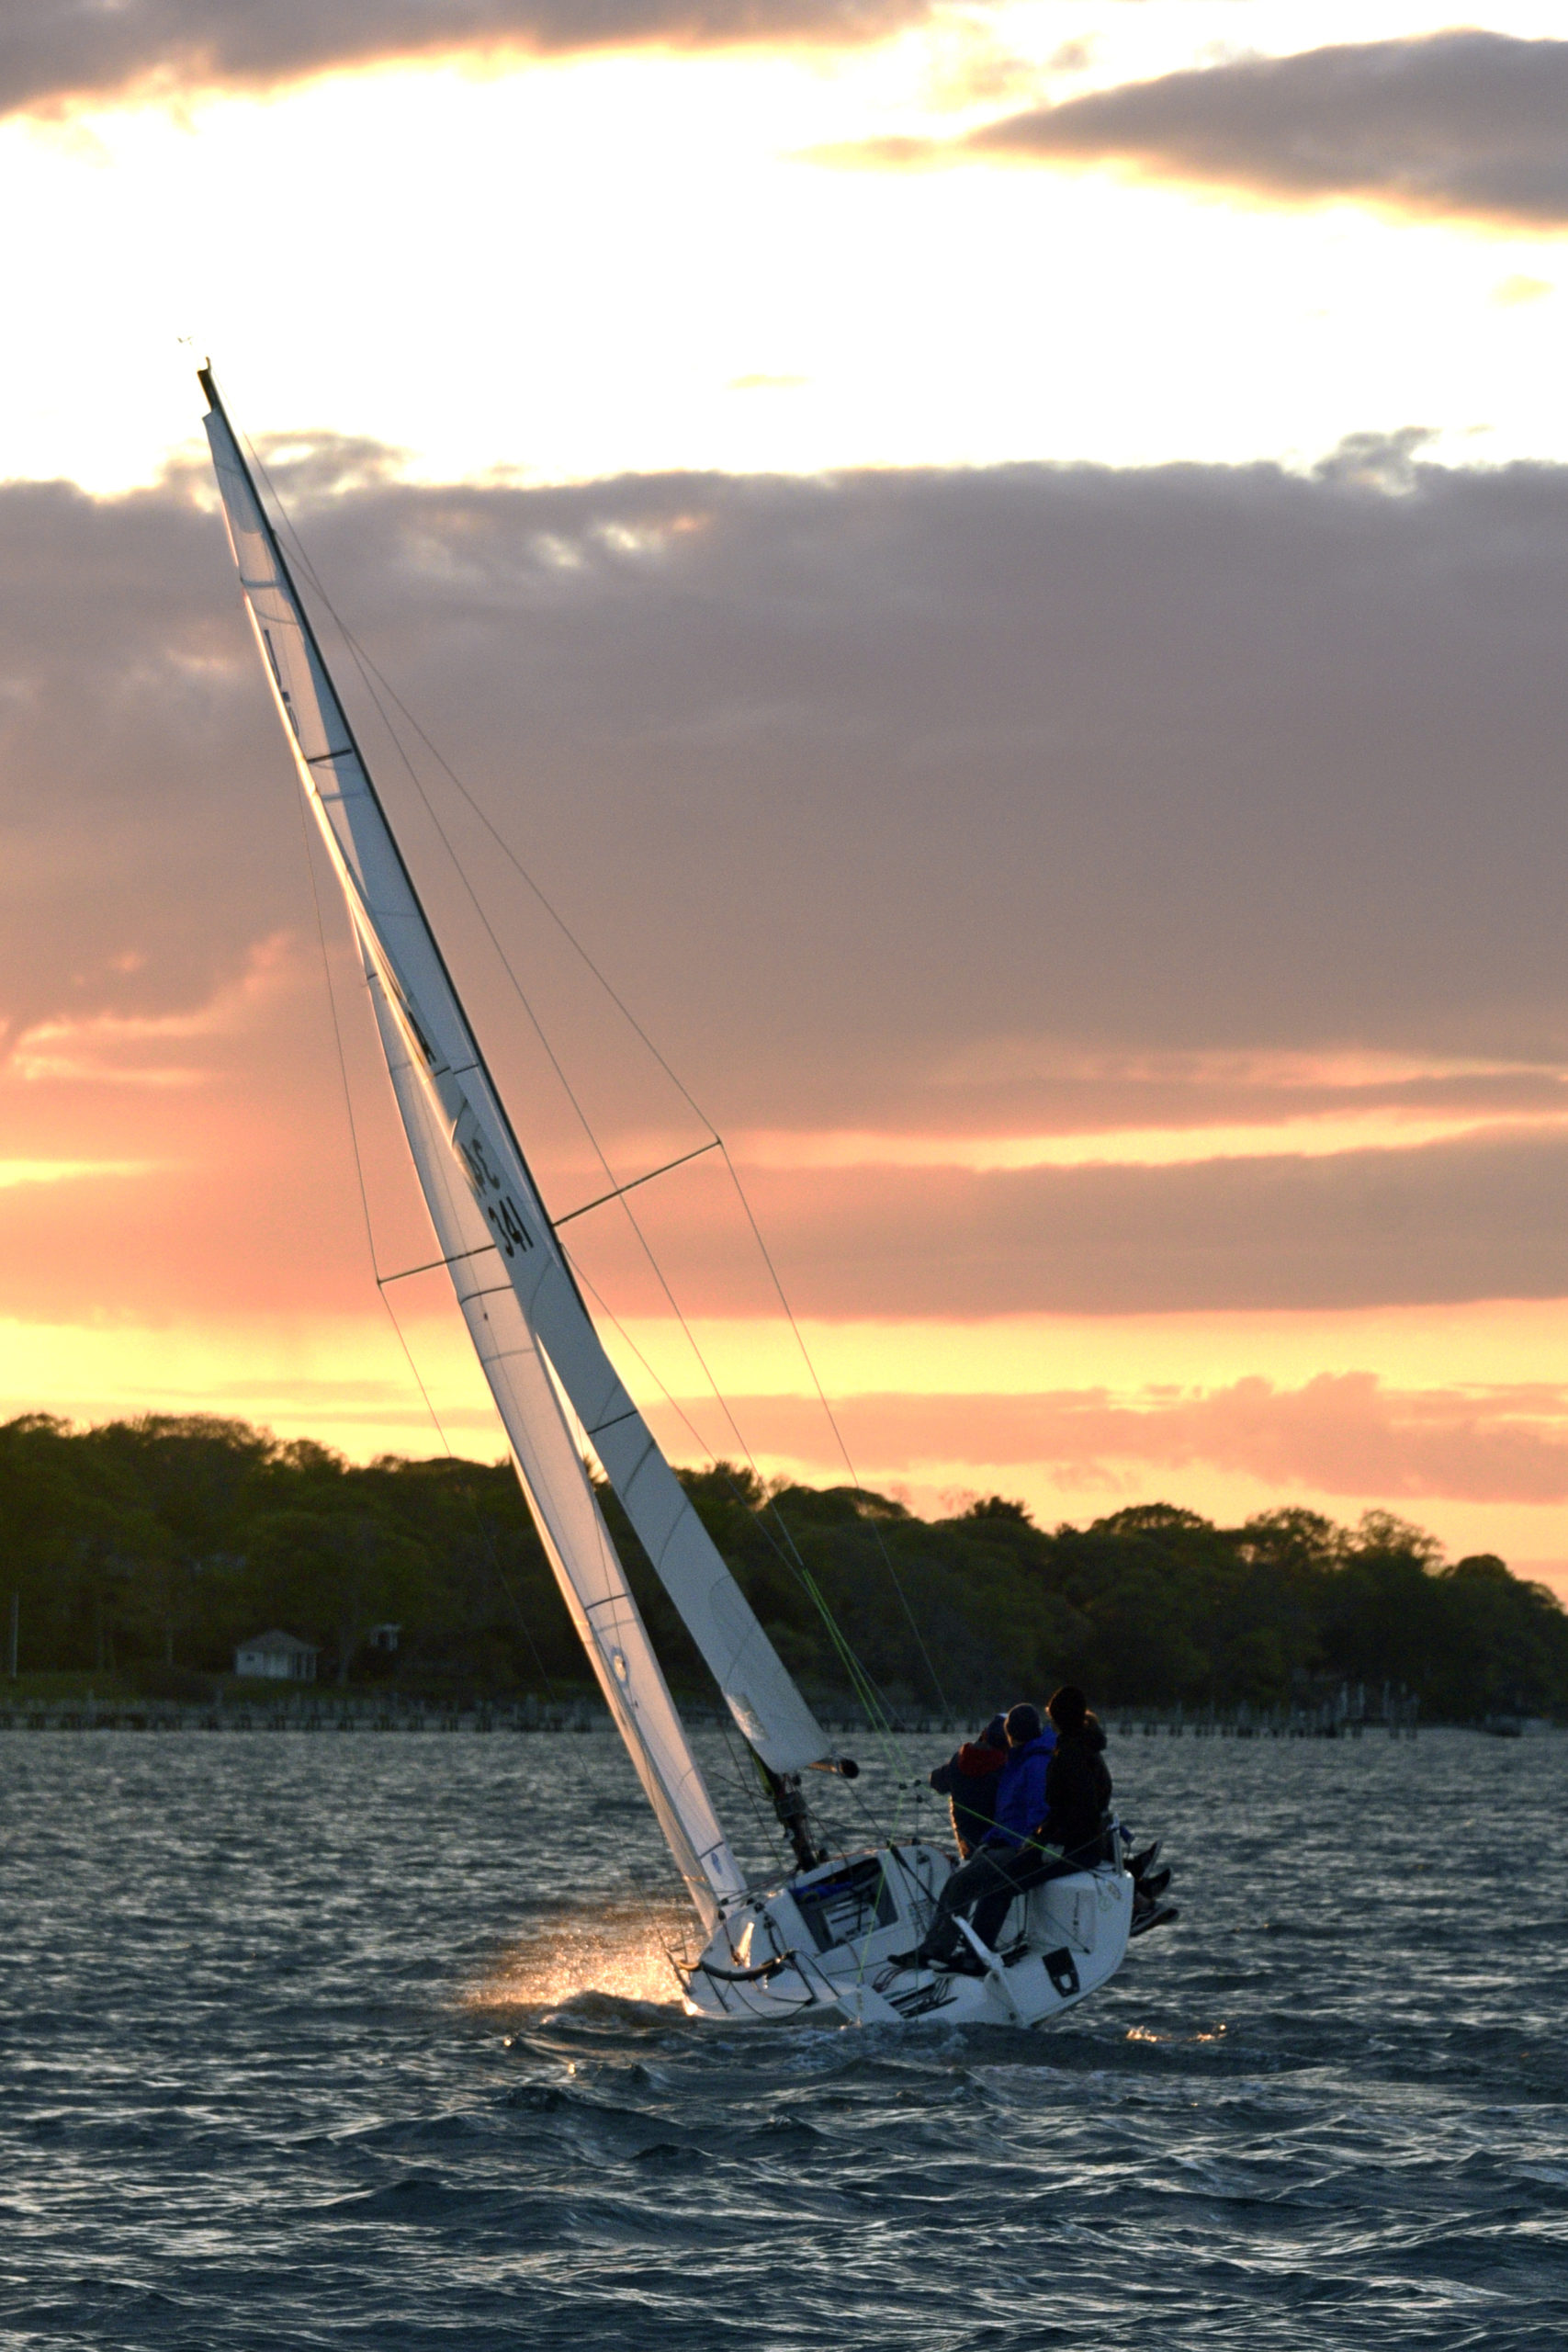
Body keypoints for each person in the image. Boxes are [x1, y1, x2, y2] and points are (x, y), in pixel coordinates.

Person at [897, 1702, 1057, 1973]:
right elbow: (1009, 1816)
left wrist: (1014, 1845)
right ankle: (938, 1949)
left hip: (1021, 1846)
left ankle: (944, 1951)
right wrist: (991, 1839)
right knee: (958, 1883)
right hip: (1000, 1841)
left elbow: (1038, 1817)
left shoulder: (1035, 1764)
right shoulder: (1019, 1761)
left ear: (1013, 1735)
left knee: (963, 1883)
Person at [965, 1685, 1112, 1954]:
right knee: (1006, 1875)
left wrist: (1051, 1843)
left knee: (1001, 1881)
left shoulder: (1072, 1754)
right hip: (1072, 1842)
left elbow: (1081, 1809)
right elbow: (1065, 1808)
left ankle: (976, 1954)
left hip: (1074, 1849)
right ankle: (980, 1948)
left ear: (1056, 1717)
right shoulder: (1079, 1746)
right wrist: (1040, 1836)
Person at [927, 1713, 1008, 1858]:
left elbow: (935, 1781)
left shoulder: (958, 1761)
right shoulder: (1007, 1768)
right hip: (999, 1846)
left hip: (968, 1846)